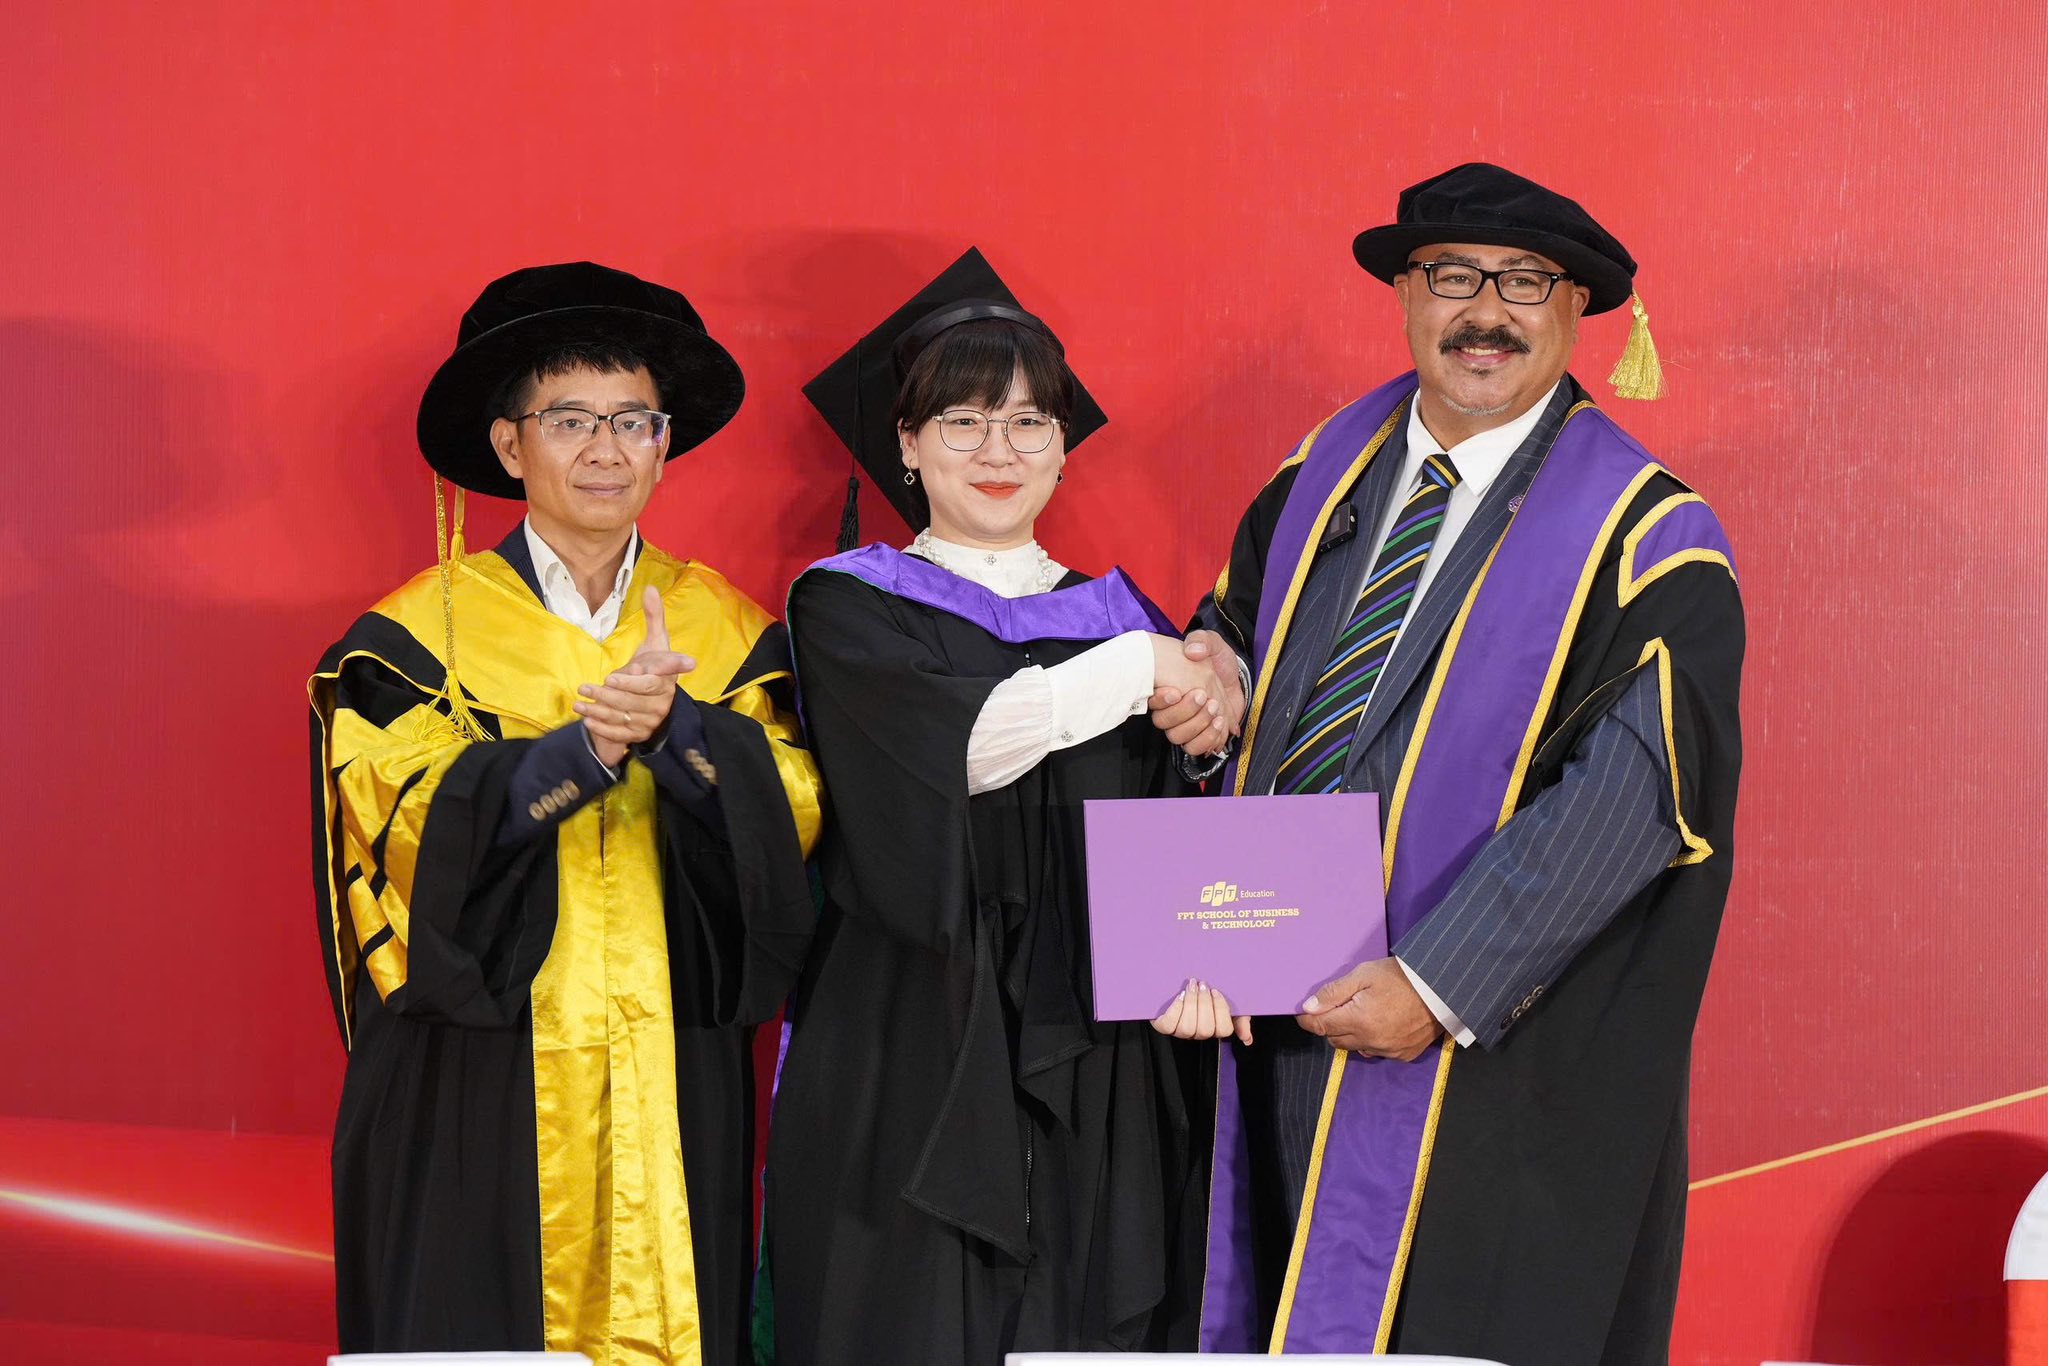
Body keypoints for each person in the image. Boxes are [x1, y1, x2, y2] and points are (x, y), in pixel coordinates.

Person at [1165, 165, 1743, 1364]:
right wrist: (1207, 675)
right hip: (1264, 1021)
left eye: (1523, 282)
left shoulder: (1645, 535)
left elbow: (1633, 795)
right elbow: (1232, 640)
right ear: (1404, 295)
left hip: (1474, 1064)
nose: (1485, 311)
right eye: (1451, 277)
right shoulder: (1317, 474)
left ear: (1576, 306)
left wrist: (1432, 986)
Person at [308, 262, 823, 1366]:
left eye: (633, 421)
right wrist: (580, 755)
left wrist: (683, 737)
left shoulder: (726, 630)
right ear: (510, 447)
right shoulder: (417, 639)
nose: (606, 449)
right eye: (571, 420)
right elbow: (394, 819)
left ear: (664, 446)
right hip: (474, 1079)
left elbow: (796, 813)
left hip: (671, 1068)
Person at [765, 249, 1241, 1365]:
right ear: (906, 443)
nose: (998, 452)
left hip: (1094, 1042)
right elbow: (966, 749)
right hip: (911, 1030)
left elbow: (1171, 824)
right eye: (964, 421)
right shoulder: (845, 605)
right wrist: (1145, 670)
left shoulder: (1119, 612)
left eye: (1030, 423)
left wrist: (1214, 729)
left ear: (1064, 447)